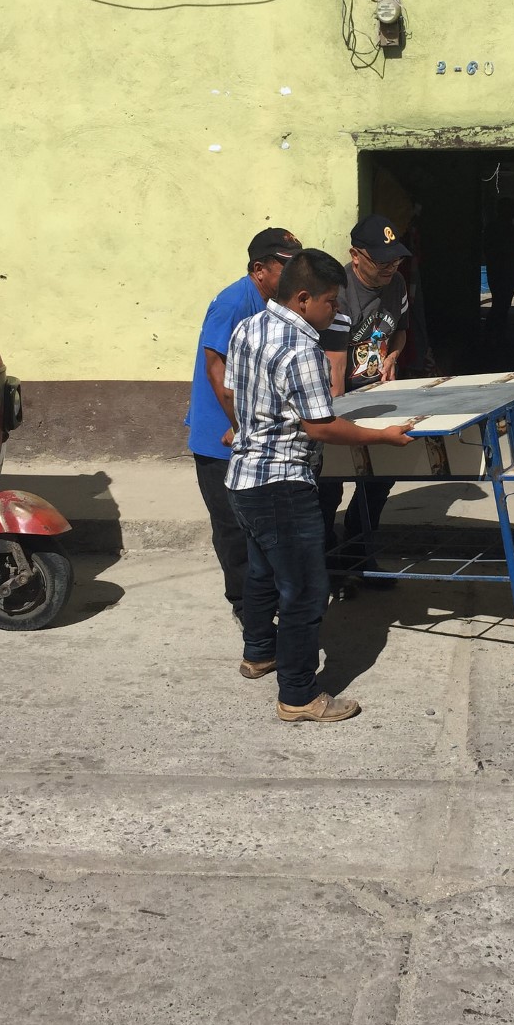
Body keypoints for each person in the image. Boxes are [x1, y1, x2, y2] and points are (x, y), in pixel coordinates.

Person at [224, 249, 414, 723]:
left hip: (244, 478)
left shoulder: (249, 326)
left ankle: (259, 653)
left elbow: (234, 391)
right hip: (282, 485)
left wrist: (251, 427)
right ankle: (298, 694)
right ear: (304, 298)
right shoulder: (301, 347)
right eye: (331, 302)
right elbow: (321, 427)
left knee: (263, 573)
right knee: (306, 591)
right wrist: (382, 437)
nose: (336, 311)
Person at [185, 228, 302, 624]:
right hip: (221, 437)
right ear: (259, 269)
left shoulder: (275, 303)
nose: (294, 274)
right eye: (285, 266)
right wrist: (243, 425)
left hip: (251, 434)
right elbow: (215, 367)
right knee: (233, 528)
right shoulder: (234, 302)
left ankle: (270, 598)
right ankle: (244, 606)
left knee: (261, 526)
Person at [317, 214, 411, 593]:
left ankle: (360, 555)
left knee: (379, 478)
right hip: (338, 398)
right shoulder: (336, 293)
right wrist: (335, 417)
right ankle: (328, 568)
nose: (391, 267)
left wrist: (393, 357)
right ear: (356, 255)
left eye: (396, 259)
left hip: (378, 395)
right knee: (330, 485)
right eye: (381, 260)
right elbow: (333, 364)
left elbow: (400, 329)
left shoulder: (397, 283)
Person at [483, 196, 514, 343]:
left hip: (501, 271)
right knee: (501, 304)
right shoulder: (502, 229)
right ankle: (494, 334)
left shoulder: (497, 228)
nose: (513, 213)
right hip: (502, 271)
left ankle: (495, 333)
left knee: (501, 304)